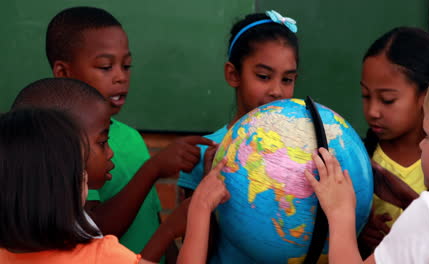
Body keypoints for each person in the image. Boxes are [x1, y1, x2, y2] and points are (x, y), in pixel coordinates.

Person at [46, 7, 213, 257]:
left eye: (126, 66)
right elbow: (94, 230)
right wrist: (153, 169)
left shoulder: (131, 138)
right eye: (105, 67)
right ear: (63, 73)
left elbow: (151, 219)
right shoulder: (63, 144)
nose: (120, 77)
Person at [304, 29, 429, 261]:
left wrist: (341, 215)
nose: (372, 111)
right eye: (365, 95)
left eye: (428, 136)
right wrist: (410, 203)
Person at [0, 108, 229, 264]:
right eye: (79, 170)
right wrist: (200, 207)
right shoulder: (101, 256)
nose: (85, 177)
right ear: (58, 190)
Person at [178, 10, 299, 195]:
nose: (277, 91)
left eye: (287, 79)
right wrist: (207, 186)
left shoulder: (303, 150)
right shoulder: (205, 153)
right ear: (233, 75)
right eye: (264, 76)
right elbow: (187, 223)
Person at [359, 27, 429, 253]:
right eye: (366, 96)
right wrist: (358, 229)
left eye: (387, 100)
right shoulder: (359, 158)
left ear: (426, 96)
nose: (373, 110)